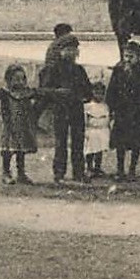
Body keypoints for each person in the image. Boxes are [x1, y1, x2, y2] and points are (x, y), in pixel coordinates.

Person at [37, 30, 93, 182]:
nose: (71, 53)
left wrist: (84, 96)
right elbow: (43, 90)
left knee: (78, 141)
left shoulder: (79, 70)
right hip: (60, 108)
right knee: (60, 142)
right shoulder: (53, 69)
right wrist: (57, 92)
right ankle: (59, 173)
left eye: (74, 49)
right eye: (67, 49)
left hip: (76, 108)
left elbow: (88, 90)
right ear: (60, 51)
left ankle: (78, 172)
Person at [0, 64, 43, 184]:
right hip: (10, 127)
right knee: (8, 151)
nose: (19, 82)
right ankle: (6, 172)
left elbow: (42, 94)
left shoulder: (26, 93)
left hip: (23, 127)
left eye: (22, 79)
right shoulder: (4, 92)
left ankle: (21, 174)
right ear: (9, 79)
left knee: (21, 151)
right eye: (16, 79)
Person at [106, 41, 140, 180]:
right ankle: (120, 169)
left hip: (137, 111)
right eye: (126, 56)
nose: (127, 59)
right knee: (120, 142)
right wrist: (111, 108)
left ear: (139, 57)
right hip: (122, 110)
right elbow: (112, 89)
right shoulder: (118, 69)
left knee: (136, 142)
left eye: (131, 56)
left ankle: (132, 170)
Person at [83, 82, 111, 178]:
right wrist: (86, 130)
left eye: (101, 93)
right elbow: (85, 119)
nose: (99, 95)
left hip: (102, 130)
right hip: (92, 130)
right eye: (97, 92)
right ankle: (89, 168)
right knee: (90, 150)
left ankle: (97, 168)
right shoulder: (88, 106)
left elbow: (108, 118)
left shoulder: (105, 106)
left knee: (100, 149)